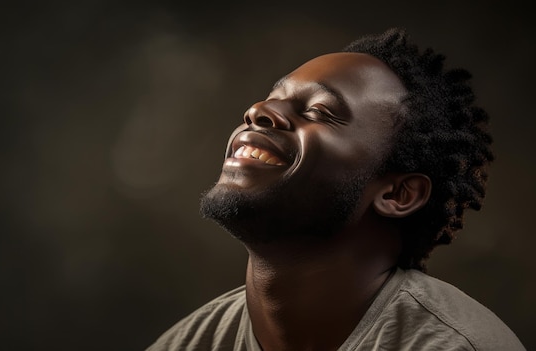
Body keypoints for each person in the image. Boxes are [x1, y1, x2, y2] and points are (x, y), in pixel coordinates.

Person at [145, 28, 526, 351]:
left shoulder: (456, 345)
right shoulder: (187, 343)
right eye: (273, 98)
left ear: (398, 194)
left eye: (318, 111)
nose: (259, 110)